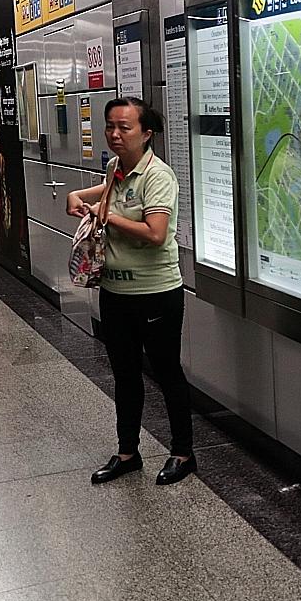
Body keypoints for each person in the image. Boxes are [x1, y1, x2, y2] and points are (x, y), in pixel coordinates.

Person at [67, 96, 196, 486]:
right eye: (111, 126)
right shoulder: (115, 167)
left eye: (125, 127)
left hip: (156, 293)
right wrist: (81, 196)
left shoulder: (159, 176)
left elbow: (157, 234)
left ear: (146, 133)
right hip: (114, 291)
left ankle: (182, 452)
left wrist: (110, 217)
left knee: (166, 371)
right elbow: (109, 188)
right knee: (124, 374)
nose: (115, 134)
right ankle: (127, 452)